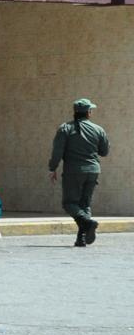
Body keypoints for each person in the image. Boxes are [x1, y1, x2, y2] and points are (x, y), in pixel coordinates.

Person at [49, 99, 109, 247]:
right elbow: (105, 151)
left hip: (73, 172)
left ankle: (87, 222)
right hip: (93, 170)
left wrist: (52, 168)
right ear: (88, 112)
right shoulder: (98, 129)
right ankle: (81, 238)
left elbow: (57, 152)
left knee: (69, 203)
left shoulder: (65, 128)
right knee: (85, 204)